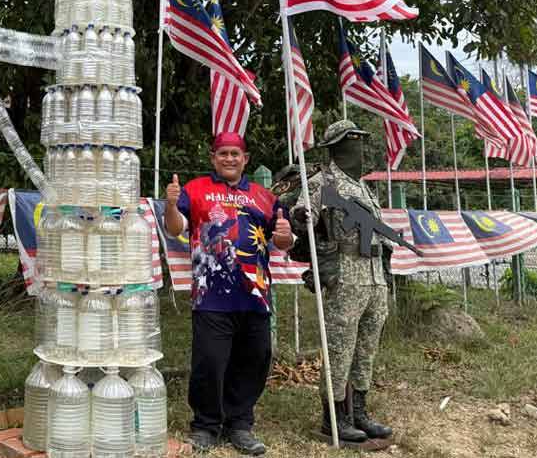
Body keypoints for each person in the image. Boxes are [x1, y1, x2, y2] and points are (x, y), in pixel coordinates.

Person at [164, 131, 294, 456]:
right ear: (213, 157)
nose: (229, 159)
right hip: (211, 295)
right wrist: (169, 204)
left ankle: (240, 424)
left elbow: (282, 242)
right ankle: (206, 426)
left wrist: (286, 235)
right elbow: (176, 227)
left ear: (245, 159)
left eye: (235, 153)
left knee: (255, 359)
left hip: (256, 294)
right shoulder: (195, 190)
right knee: (210, 361)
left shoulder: (264, 197)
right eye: (223, 153)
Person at [292, 120, 394, 443]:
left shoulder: (364, 187)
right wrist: (304, 217)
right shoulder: (323, 182)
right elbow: (300, 215)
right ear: (338, 146)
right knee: (339, 349)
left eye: (360, 140)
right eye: (353, 141)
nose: (359, 148)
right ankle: (333, 418)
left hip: (375, 277)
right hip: (345, 277)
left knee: (366, 348)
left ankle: (359, 412)